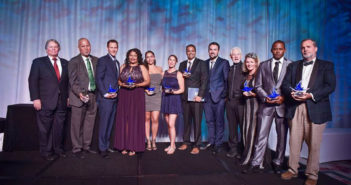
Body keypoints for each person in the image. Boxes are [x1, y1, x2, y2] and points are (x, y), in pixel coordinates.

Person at [281, 39, 336, 185]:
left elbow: (330, 86)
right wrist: (290, 93)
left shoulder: (326, 66)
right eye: (303, 47)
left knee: (314, 144)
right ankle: (292, 170)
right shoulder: (293, 66)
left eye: (308, 47)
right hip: (296, 107)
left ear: (315, 48)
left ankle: (312, 175)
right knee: (294, 141)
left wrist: (311, 95)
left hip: (316, 107)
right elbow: (285, 84)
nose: (305, 50)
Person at [246, 40, 292, 174]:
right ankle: (256, 162)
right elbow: (258, 86)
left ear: (284, 50)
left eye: (280, 49)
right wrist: (266, 97)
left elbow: (292, 86)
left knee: (282, 137)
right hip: (266, 106)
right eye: (275, 49)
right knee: (260, 135)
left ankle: (278, 162)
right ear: (271, 50)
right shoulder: (264, 65)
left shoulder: (291, 65)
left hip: (282, 106)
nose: (278, 51)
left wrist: (283, 97)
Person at [28, 39, 69, 160]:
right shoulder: (38, 62)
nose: (53, 49)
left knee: (59, 128)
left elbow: (67, 83)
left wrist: (68, 97)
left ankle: (58, 150)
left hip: (61, 101)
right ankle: (46, 152)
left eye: (56, 47)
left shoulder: (65, 63)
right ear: (46, 49)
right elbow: (32, 81)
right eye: (51, 47)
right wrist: (35, 98)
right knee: (45, 128)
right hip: (45, 101)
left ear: (59, 48)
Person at [114, 48, 150, 156]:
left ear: (138, 57)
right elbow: (119, 80)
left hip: (137, 94)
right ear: (128, 56)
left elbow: (147, 81)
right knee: (124, 119)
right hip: (124, 94)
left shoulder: (142, 67)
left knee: (134, 119)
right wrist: (123, 84)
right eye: (130, 55)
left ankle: (133, 146)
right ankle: (123, 145)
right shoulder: (123, 67)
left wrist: (137, 85)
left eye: (135, 55)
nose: (132, 57)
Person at [68, 38, 98, 159]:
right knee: (76, 124)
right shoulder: (74, 61)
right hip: (79, 97)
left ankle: (86, 146)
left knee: (89, 123)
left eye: (88, 46)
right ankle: (77, 148)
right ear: (79, 48)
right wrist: (79, 93)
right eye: (83, 46)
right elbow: (72, 81)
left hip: (92, 95)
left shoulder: (96, 60)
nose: (86, 48)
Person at [178, 44, 208, 155]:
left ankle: (197, 145)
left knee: (197, 121)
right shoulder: (181, 65)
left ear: (195, 52)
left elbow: (205, 80)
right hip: (185, 97)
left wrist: (200, 95)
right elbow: (179, 80)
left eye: (192, 51)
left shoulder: (202, 63)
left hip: (196, 98)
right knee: (186, 121)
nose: (190, 52)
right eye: (188, 51)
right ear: (186, 52)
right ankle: (185, 142)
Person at [202, 42, 229, 154]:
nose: (212, 51)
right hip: (207, 98)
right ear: (208, 51)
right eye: (210, 49)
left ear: (218, 51)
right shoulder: (204, 63)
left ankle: (218, 144)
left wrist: (224, 96)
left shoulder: (224, 62)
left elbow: (227, 80)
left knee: (219, 122)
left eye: (215, 49)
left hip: (219, 98)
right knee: (209, 121)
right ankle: (211, 142)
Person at [95, 39, 120, 158]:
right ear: (107, 48)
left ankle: (106, 145)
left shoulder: (117, 62)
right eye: (111, 47)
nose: (113, 49)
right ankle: (102, 148)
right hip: (105, 98)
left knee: (110, 124)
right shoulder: (103, 60)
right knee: (104, 123)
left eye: (115, 47)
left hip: (115, 97)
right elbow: (98, 78)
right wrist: (105, 93)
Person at [240, 53, 261, 167]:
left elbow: (264, 91)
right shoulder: (247, 75)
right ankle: (246, 155)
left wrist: (253, 94)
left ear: (256, 62)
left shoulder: (259, 74)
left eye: (251, 62)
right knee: (246, 131)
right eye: (247, 62)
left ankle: (252, 158)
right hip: (247, 106)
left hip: (256, 107)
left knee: (253, 132)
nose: (249, 64)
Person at [161, 55, 184, 155]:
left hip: (174, 99)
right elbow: (161, 87)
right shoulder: (163, 73)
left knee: (171, 124)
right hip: (165, 99)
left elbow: (182, 89)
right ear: (168, 61)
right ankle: (172, 144)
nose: (171, 62)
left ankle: (172, 146)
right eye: (170, 60)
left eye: (173, 60)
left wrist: (172, 92)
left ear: (176, 62)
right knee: (168, 125)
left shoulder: (178, 74)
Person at [225, 47, 246, 158]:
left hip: (241, 102)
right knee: (232, 128)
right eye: (234, 54)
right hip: (230, 102)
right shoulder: (229, 69)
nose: (236, 56)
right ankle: (233, 149)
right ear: (231, 56)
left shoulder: (245, 68)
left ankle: (243, 150)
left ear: (241, 56)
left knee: (243, 127)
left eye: (238, 54)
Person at [144, 51, 163, 151]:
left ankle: (154, 140)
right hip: (146, 95)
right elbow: (141, 82)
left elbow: (163, 83)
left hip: (157, 96)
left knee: (155, 119)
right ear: (145, 59)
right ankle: (148, 140)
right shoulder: (143, 68)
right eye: (147, 57)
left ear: (154, 57)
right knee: (146, 119)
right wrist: (146, 90)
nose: (150, 59)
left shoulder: (160, 69)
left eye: (151, 56)